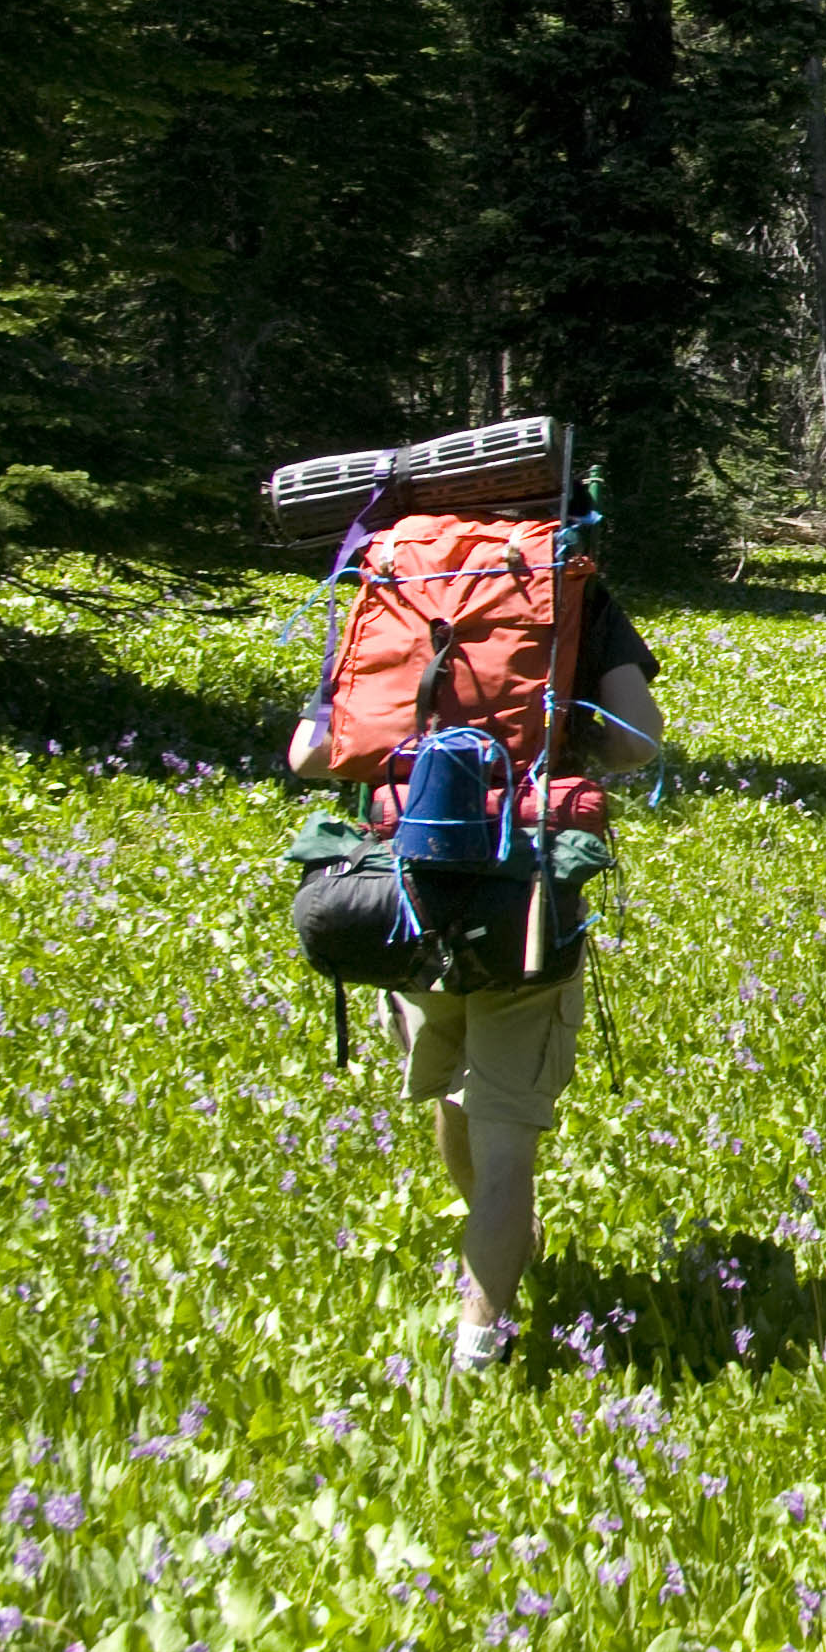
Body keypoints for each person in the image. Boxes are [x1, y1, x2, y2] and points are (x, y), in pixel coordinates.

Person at [289, 582, 663, 1373]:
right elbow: (637, 741)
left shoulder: (392, 586)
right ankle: (479, 1349)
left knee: (454, 1090)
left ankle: (491, 1251)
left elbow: (310, 755)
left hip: (406, 894)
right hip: (521, 896)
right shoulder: (575, 593)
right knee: (506, 1149)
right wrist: (561, 739)